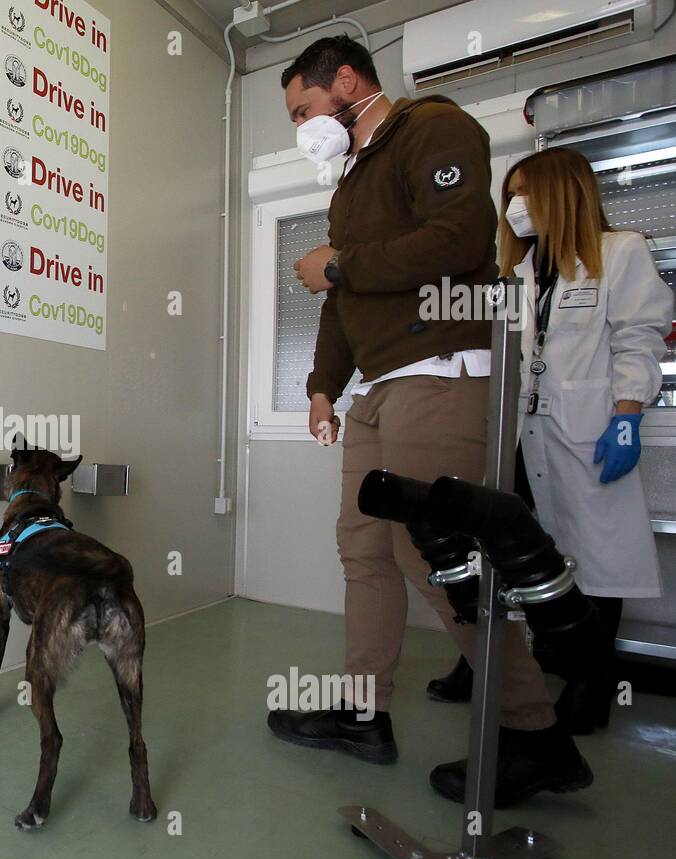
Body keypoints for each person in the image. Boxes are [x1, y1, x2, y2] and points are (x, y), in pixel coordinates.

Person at [265, 35, 592, 806]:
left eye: (303, 109)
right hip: (378, 387)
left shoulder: (434, 129)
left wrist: (339, 264)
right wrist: (321, 386)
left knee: (433, 554)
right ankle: (361, 711)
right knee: (364, 549)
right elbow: (346, 301)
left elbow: (458, 240)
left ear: (346, 82)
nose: (302, 126)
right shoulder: (351, 180)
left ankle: (534, 733)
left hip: (444, 370)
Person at [503, 147, 667, 731]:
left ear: (561, 192)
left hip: (591, 427)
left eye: (527, 192)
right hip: (529, 433)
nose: (516, 206)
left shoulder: (618, 252)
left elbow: (640, 337)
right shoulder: (519, 271)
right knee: (536, 557)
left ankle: (591, 685)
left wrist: (627, 416)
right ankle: (548, 666)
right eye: (511, 195)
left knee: (597, 558)